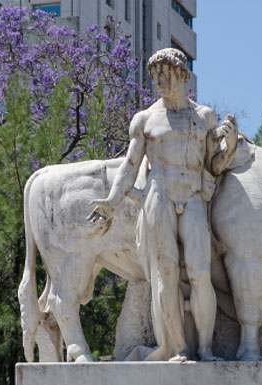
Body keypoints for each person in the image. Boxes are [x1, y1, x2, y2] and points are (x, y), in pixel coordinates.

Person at [87, 48, 238, 361]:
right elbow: (130, 165)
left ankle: (206, 350)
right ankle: (179, 348)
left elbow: (214, 165)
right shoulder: (145, 119)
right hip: (159, 197)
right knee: (165, 274)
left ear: (182, 75)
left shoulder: (204, 117)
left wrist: (232, 146)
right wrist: (112, 202)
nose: (159, 80)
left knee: (200, 272)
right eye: (154, 75)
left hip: (194, 198)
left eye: (164, 73)